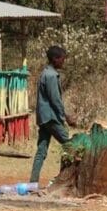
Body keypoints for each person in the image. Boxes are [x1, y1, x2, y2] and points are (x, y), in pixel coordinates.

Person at [30, 45, 77, 184]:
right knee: (71, 146)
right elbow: (55, 100)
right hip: (50, 118)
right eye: (62, 59)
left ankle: (33, 183)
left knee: (41, 151)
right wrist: (66, 117)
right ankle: (69, 180)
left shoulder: (45, 73)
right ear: (55, 59)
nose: (63, 62)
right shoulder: (51, 76)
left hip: (44, 118)